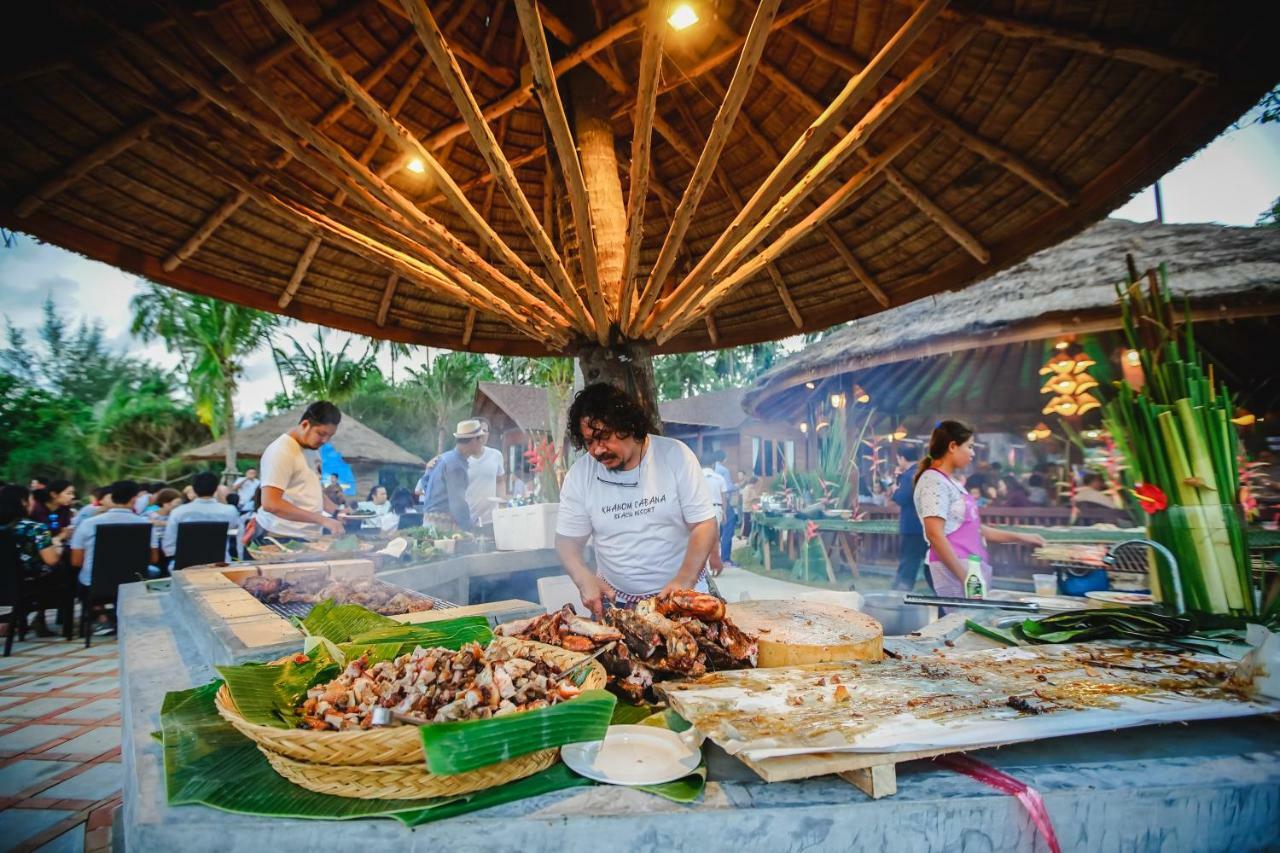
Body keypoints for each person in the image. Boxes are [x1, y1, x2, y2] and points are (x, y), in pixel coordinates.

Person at [556, 383, 718, 617]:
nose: (597, 450)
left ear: (629, 426)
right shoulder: (580, 475)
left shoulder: (675, 456)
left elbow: (704, 524)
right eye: (589, 441)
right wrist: (583, 579)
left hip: (685, 595)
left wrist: (684, 579)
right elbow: (567, 542)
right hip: (617, 603)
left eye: (604, 437)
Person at [913, 421, 1046, 598]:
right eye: (970, 446)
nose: (973, 453)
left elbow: (975, 530)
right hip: (951, 571)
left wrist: (1023, 537)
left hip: (970, 569)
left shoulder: (952, 482)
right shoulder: (933, 482)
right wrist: (964, 577)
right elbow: (935, 535)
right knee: (956, 623)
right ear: (953, 446)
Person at [254, 401, 346, 542]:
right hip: (279, 536)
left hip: (306, 536)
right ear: (305, 425)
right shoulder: (281, 451)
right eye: (321, 434)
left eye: (330, 436)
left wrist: (337, 511)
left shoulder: (312, 450)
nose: (325, 441)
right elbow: (271, 503)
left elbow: (312, 491)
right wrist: (322, 520)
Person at [0, 484, 63, 636]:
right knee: (60, 571)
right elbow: (51, 560)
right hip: (27, 581)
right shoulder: (35, 528)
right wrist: (57, 547)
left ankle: (8, 620)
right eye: (31, 499)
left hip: (4, 581)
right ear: (23, 502)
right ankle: (39, 616)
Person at [69, 479, 151, 592]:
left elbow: (76, 561)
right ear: (134, 499)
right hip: (133, 583)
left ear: (112, 497)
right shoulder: (146, 524)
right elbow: (152, 558)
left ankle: (96, 607)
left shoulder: (88, 523)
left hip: (93, 584)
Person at [422, 420, 488, 532]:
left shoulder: (444, 458)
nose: (482, 442)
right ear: (472, 440)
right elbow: (457, 504)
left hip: (429, 523)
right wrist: (469, 527)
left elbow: (425, 483)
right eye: (480, 438)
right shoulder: (456, 466)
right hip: (442, 526)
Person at [890, 445, 930, 592]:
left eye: (898, 458)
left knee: (909, 561)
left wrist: (895, 491)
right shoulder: (923, 473)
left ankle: (901, 592)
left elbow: (903, 498)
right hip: (924, 524)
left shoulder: (909, 476)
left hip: (912, 526)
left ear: (902, 458)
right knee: (927, 560)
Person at [465, 419, 506, 526]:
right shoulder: (461, 458)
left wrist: (502, 505)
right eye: (478, 430)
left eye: (485, 430)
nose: (482, 434)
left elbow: (500, 481)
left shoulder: (496, 455)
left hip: (491, 519)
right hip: (467, 518)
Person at [712, 451, 737, 568]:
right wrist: (739, 485)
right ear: (724, 459)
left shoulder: (710, 469)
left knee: (715, 533)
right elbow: (728, 488)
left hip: (709, 505)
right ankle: (725, 559)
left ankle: (713, 559)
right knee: (728, 531)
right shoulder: (724, 470)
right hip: (723, 504)